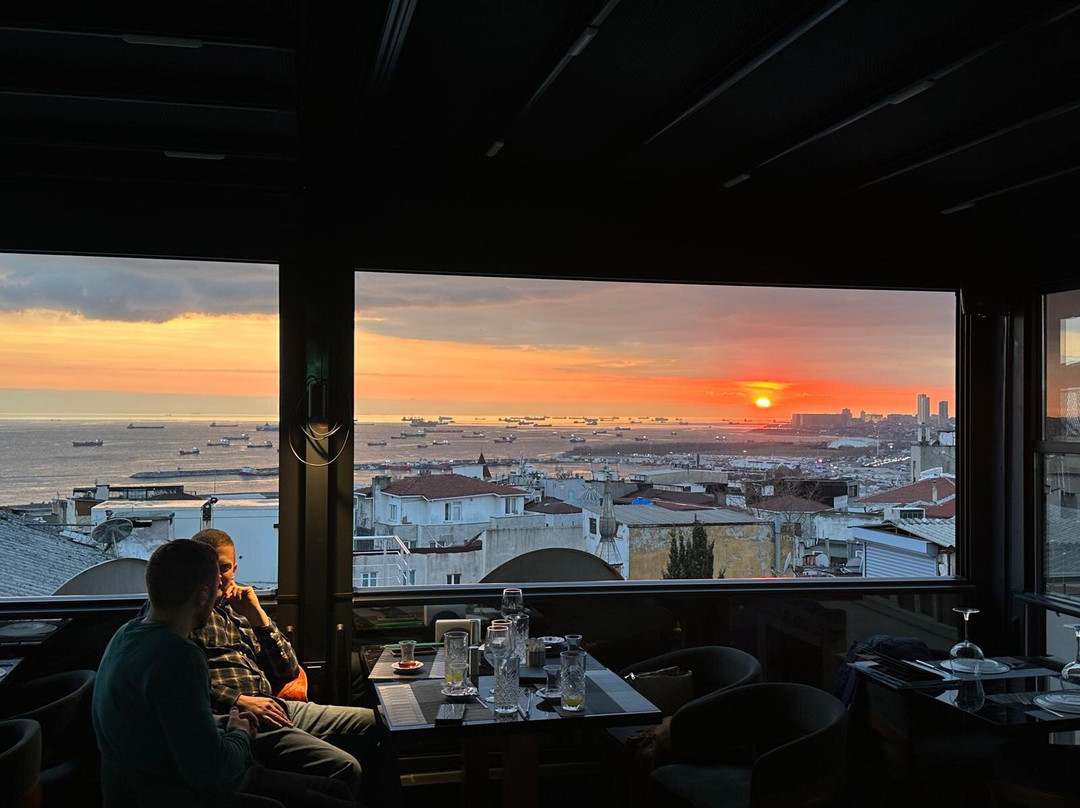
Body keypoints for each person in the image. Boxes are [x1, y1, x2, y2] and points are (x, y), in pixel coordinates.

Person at [92, 538, 354, 808]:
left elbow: (163, 724)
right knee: (334, 793)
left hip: (135, 787)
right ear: (204, 594)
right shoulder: (179, 656)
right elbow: (212, 770)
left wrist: (216, 722)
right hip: (176, 792)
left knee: (336, 789)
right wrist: (240, 732)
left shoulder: (125, 636)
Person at [188, 527, 400, 808]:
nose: (219, 577)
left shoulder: (238, 613)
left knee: (380, 723)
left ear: (235, 568)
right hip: (238, 717)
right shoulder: (189, 615)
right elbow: (184, 681)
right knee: (346, 766)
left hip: (277, 705)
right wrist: (240, 701)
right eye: (211, 570)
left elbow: (288, 670)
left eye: (225, 568)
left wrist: (258, 616)